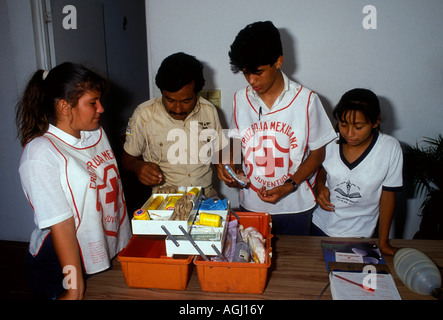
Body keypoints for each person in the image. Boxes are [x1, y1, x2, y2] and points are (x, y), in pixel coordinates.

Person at [16, 62, 131, 300]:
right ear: (64, 107)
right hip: (62, 260)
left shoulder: (94, 133)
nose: (101, 108)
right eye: (92, 102)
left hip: (99, 248)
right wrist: (73, 288)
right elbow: (62, 226)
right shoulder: (40, 154)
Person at [218, 21, 336, 235]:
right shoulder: (240, 99)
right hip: (252, 204)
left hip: (295, 206)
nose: (251, 80)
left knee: (294, 265)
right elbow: (235, 142)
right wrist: (228, 165)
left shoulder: (307, 100)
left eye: (258, 72)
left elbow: (318, 154)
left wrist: (289, 185)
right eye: (245, 73)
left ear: (278, 61)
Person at [311, 88, 403, 256]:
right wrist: (319, 185)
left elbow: (388, 196)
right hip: (320, 227)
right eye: (344, 125)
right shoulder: (330, 140)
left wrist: (383, 243)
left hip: (362, 234)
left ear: (375, 122)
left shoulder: (390, 148)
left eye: (358, 127)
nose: (349, 134)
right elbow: (322, 167)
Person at [122, 52, 228, 198]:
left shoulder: (209, 110)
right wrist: (138, 166)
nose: (178, 110)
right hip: (164, 201)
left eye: (186, 101)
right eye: (170, 100)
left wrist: (226, 166)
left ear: (196, 94)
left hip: (205, 196)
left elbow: (221, 148)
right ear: (162, 92)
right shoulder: (144, 115)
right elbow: (127, 159)